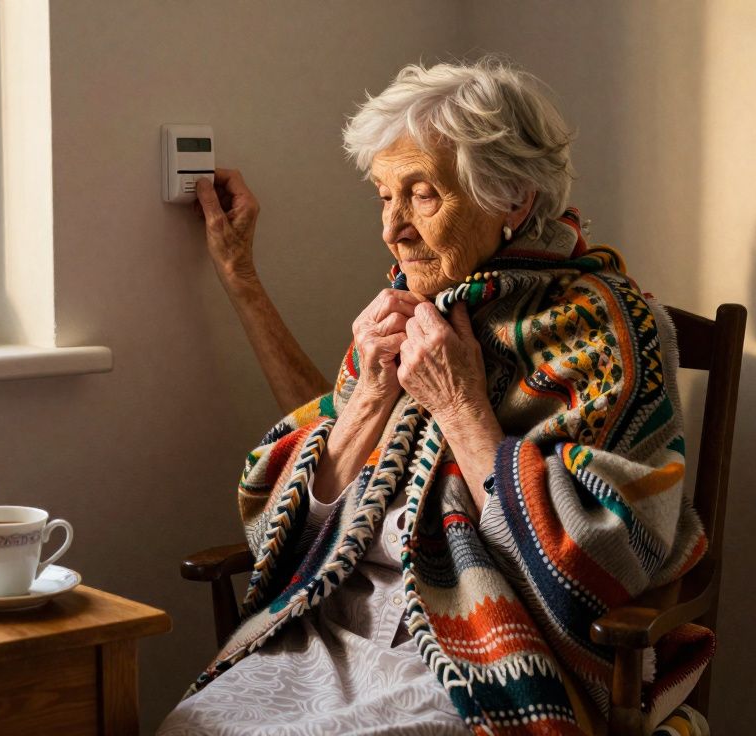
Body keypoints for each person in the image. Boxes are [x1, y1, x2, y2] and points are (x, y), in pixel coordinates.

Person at [159, 59, 713, 736]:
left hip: (487, 651)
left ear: (512, 198)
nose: (392, 228)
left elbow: (609, 555)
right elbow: (284, 524)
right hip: (339, 628)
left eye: (421, 194)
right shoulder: (407, 312)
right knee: (193, 724)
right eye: (383, 196)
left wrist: (461, 408)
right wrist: (366, 398)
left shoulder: (608, 327)